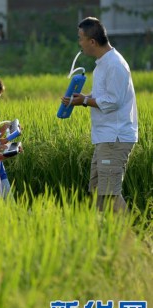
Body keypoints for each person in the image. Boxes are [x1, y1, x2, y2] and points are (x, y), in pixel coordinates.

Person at [61, 17, 138, 212]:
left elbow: (113, 102)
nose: (80, 43)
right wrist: (83, 98)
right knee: (97, 191)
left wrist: (84, 101)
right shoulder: (102, 63)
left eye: (81, 38)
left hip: (115, 137)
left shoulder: (114, 64)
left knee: (109, 193)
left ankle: (132, 241)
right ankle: (106, 238)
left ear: (92, 42)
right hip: (105, 137)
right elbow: (106, 96)